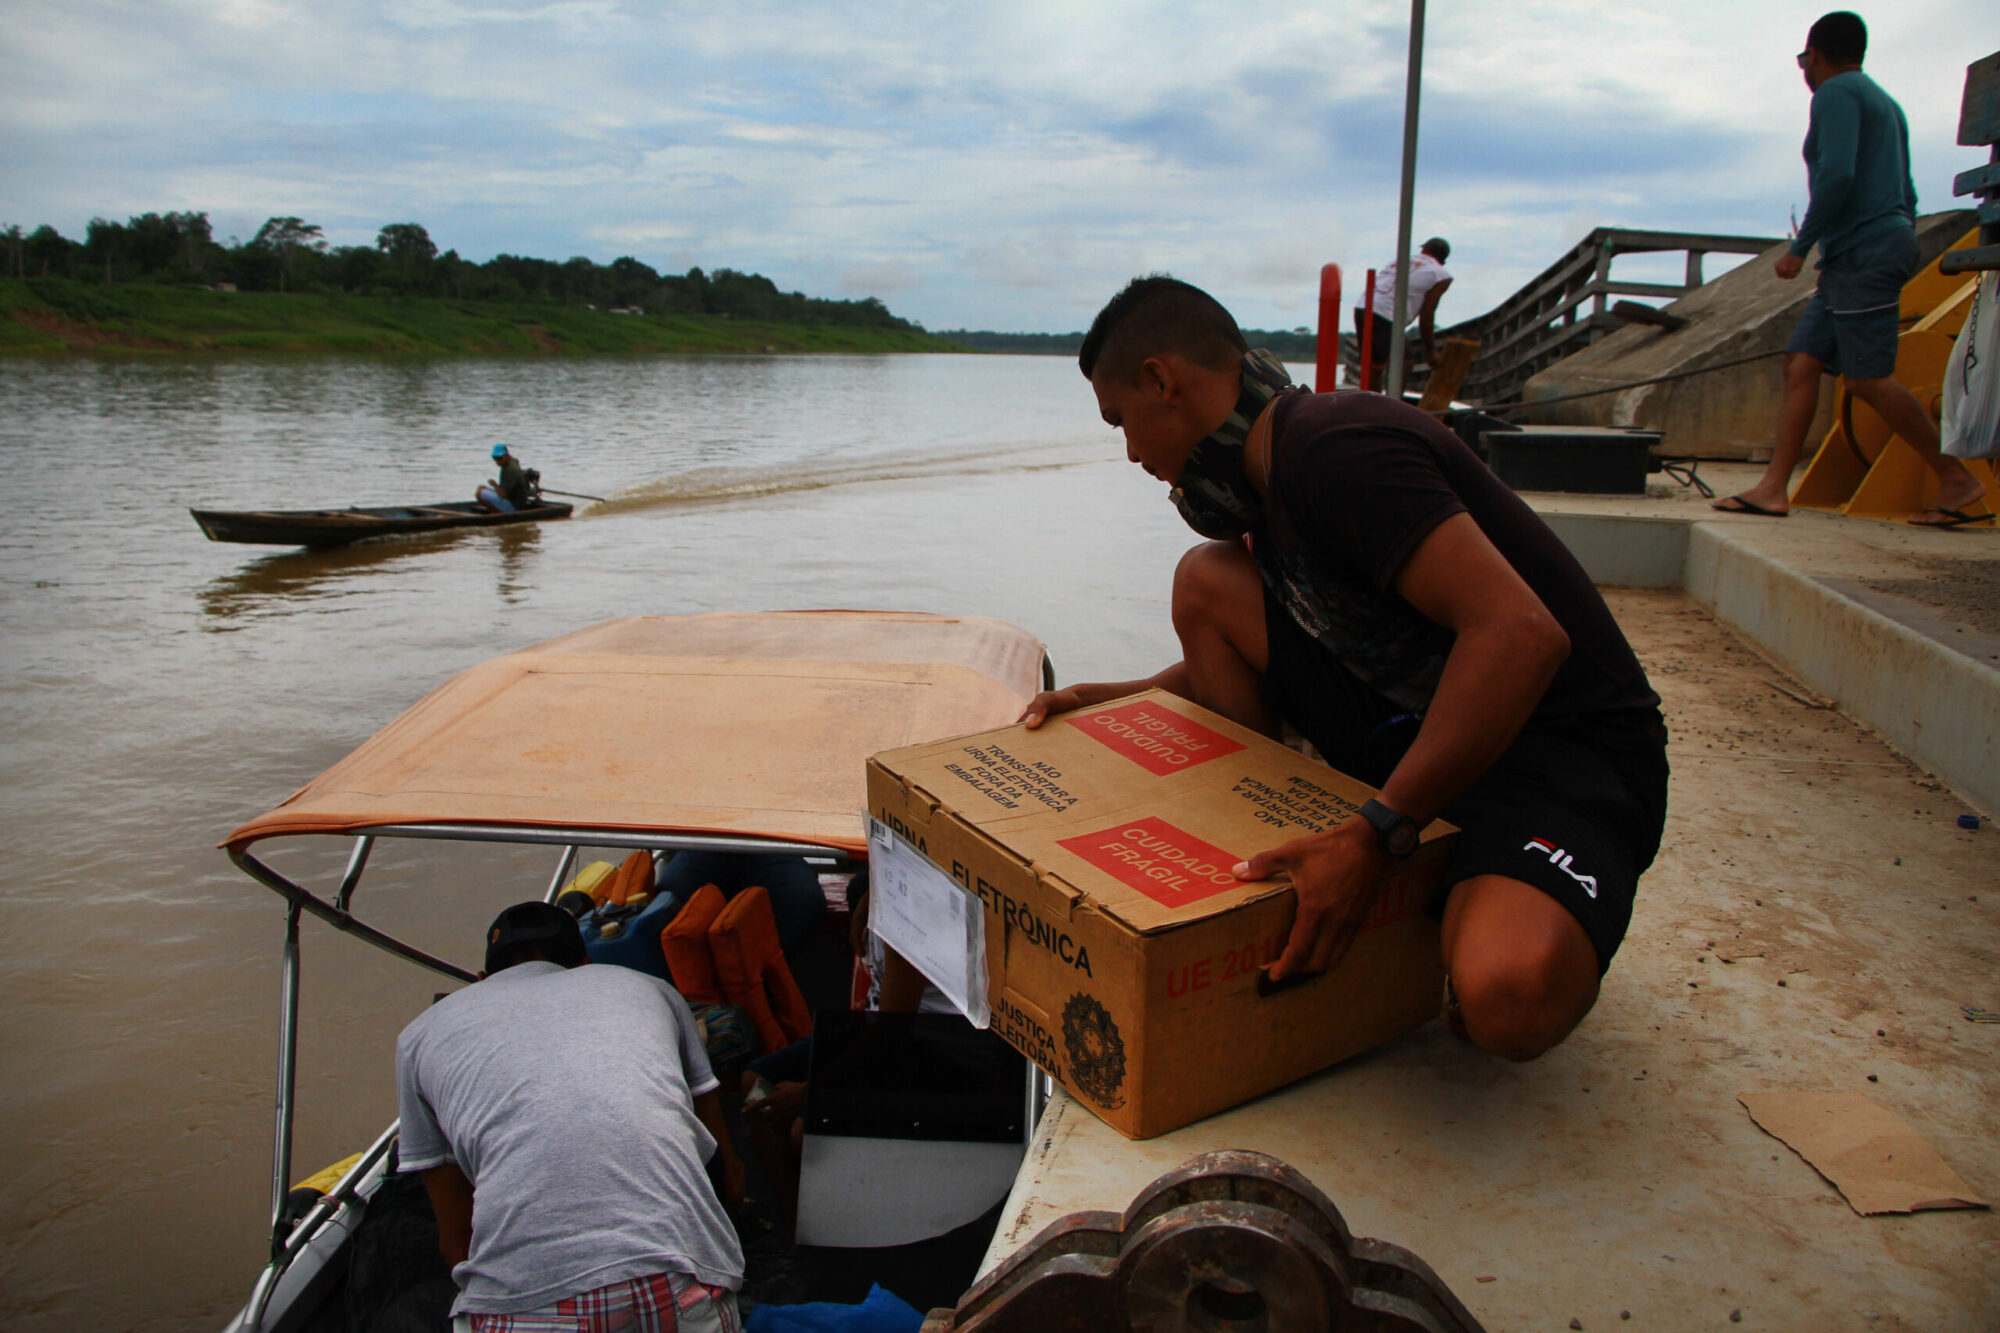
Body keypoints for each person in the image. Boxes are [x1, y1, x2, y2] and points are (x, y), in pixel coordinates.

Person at [1024, 276, 1669, 1062]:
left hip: (1553, 750)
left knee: (1506, 998)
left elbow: (1522, 636)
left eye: (1123, 421)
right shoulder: (1269, 490)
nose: (1133, 454)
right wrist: (1113, 697)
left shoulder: (1336, 448)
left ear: (1163, 380)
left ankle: (1408, 864)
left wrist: (1378, 832)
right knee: (1206, 579)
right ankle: (1275, 848)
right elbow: (1311, 641)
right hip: (1415, 720)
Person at [394, 901, 746, 1331]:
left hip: (526, 1308)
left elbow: (455, 1239)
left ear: (483, 980)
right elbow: (725, 1168)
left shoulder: (418, 1035)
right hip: (678, 1281)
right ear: (583, 964)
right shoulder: (649, 988)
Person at [1713, 11, 1989, 526]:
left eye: (1803, 59)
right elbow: (1906, 192)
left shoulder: (1835, 94)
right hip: (1860, 251)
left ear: (1814, 55)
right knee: (1801, 362)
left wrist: (1804, 245)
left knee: (1867, 380)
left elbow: (1837, 174)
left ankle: (1958, 480)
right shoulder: (1885, 102)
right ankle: (1773, 487)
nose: (1804, 70)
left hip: (1863, 253)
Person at [1353, 237, 1453, 391]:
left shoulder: (1399, 261)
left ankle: (1372, 405)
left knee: (1374, 366)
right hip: (1386, 313)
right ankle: (1390, 406)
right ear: (1443, 259)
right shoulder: (1441, 275)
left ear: (1423, 249)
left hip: (1363, 306)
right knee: (1404, 363)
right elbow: (1427, 314)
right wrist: (1430, 350)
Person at [477, 443, 538, 513]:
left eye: (499, 458)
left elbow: (504, 495)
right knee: (481, 487)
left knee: (479, 493)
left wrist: (495, 485)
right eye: (495, 458)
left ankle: (497, 513)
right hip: (511, 497)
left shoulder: (511, 469)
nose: (497, 461)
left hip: (514, 504)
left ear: (506, 455)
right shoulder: (509, 462)